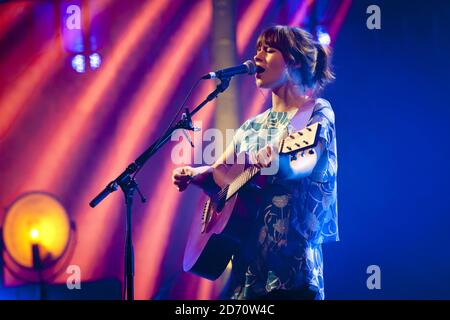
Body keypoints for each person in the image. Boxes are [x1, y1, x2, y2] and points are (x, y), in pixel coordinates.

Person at [172, 25, 338, 300]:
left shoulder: (315, 111)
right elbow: (221, 175)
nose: (258, 55)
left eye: (269, 50)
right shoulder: (251, 127)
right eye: (257, 48)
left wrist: (281, 165)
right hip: (245, 277)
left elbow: (305, 163)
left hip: (290, 274)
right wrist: (197, 175)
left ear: (293, 61)